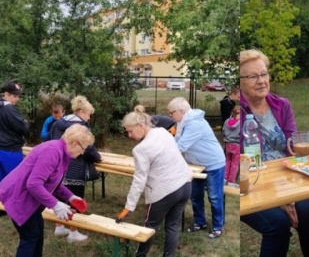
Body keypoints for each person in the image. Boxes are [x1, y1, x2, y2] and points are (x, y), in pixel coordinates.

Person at [240, 49, 309, 257]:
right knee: (277, 225)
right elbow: (241, 163)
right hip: (250, 184)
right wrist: (278, 200)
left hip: (285, 179)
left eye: (264, 74)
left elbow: (292, 147)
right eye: (253, 76)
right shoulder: (239, 112)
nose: (261, 80)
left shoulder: (282, 105)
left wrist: (287, 195)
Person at [0, 124, 94, 257]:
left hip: (30, 199)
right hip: (19, 198)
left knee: (37, 233)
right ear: (73, 143)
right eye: (83, 148)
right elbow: (33, 184)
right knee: (30, 237)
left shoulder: (62, 153)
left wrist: (71, 197)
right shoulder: (52, 151)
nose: (83, 152)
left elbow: (52, 182)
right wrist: (56, 204)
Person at [115, 105, 192, 257]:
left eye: (130, 131)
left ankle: (140, 255)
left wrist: (129, 207)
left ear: (141, 126)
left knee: (150, 227)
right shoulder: (163, 132)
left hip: (165, 191)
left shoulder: (141, 149)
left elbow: (139, 180)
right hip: (185, 184)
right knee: (172, 226)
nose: (129, 135)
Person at [167, 97, 225, 239]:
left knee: (215, 197)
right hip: (195, 164)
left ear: (181, 111)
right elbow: (176, 140)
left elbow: (181, 146)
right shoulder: (181, 122)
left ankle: (218, 226)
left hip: (213, 163)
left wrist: (161, 153)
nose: (170, 115)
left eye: (171, 112)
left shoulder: (195, 124)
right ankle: (200, 222)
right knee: (195, 195)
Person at [48, 95, 102, 242]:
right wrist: (98, 157)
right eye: (88, 114)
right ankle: (73, 231)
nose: (89, 118)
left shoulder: (60, 122)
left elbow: (52, 141)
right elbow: (88, 148)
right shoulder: (80, 127)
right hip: (75, 169)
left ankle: (59, 227)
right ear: (81, 112)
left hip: (58, 167)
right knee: (75, 200)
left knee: (59, 197)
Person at [0, 81, 29, 181]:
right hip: (10, 151)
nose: (17, 99)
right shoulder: (10, 109)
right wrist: (25, 122)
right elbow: (24, 128)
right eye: (15, 96)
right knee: (13, 183)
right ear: (6, 94)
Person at [222, 105, 240, 186]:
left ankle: (224, 179)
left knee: (228, 161)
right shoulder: (241, 122)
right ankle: (231, 181)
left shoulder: (226, 121)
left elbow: (223, 130)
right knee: (234, 163)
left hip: (228, 144)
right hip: (237, 145)